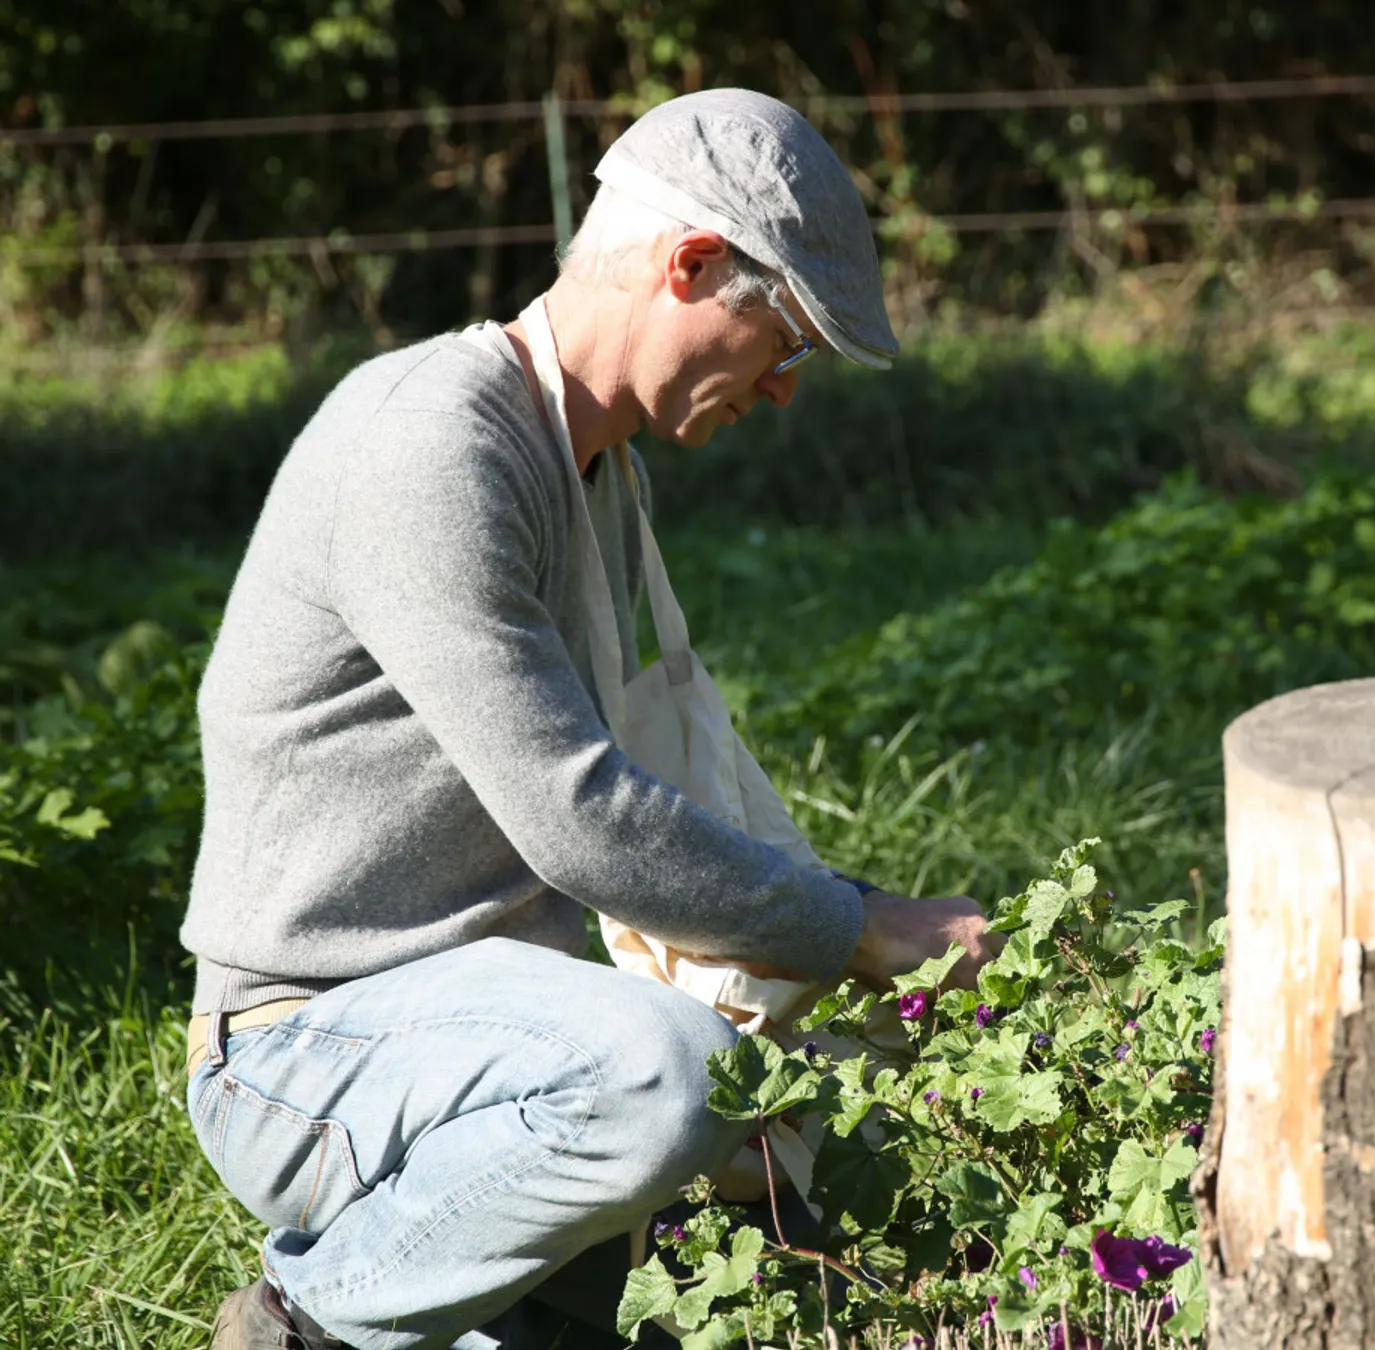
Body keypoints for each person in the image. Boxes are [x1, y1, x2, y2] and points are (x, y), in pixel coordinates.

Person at [187, 88, 994, 1350]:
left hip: (504, 1035)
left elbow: (655, 785)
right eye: (787, 343)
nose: (784, 391)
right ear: (691, 265)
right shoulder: (436, 446)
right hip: (306, 1048)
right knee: (672, 1073)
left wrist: (839, 930)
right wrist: (856, 928)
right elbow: (579, 816)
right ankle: (306, 1324)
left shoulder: (593, 468)